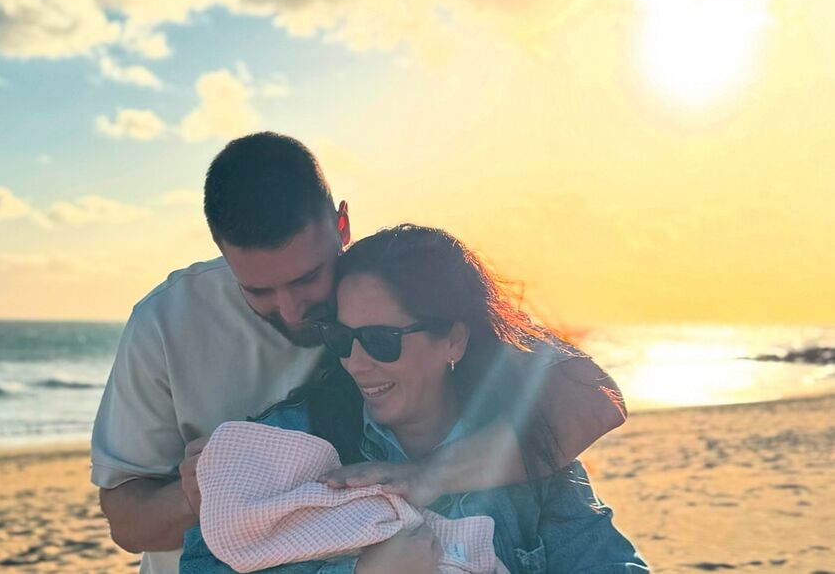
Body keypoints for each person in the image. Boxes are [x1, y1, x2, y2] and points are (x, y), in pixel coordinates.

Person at [92, 133, 628, 574]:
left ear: (341, 227)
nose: (294, 309)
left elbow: (594, 397)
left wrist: (432, 475)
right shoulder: (166, 322)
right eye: (258, 291)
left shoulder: (387, 285)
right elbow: (125, 520)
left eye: (308, 279)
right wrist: (218, 487)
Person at [180, 224, 647, 574]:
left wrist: (429, 476)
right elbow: (204, 563)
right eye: (341, 338)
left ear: (454, 342)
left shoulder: (526, 447)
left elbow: (597, 398)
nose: (356, 362)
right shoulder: (297, 442)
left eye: (382, 339)